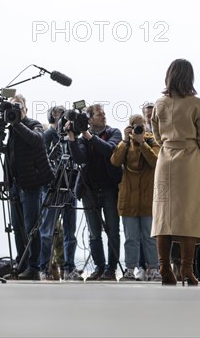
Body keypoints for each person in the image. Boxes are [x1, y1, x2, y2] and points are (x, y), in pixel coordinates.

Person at [151, 58, 200, 286]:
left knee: (163, 215)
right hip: (189, 160)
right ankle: (187, 268)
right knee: (189, 214)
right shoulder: (197, 103)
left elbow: (155, 133)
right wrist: (195, 152)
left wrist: (168, 146)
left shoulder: (160, 103)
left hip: (165, 160)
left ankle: (164, 267)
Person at [68, 104, 122, 281]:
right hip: (89, 189)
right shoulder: (83, 137)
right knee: (94, 233)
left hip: (109, 188)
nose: (104, 116)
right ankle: (99, 267)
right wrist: (72, 137)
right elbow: (79, 158)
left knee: (113, 231)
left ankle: (111, 269)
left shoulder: (114, 132)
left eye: (104, 114)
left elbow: (108, 150)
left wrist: (87, 134)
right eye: (99, 114)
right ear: (89, 119)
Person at [5, 94, 54, 280]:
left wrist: (17, 123)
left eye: (18, 106)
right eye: (12, 107)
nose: (16, 110)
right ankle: (21, 264)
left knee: (31, 227)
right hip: (15, 185)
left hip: (30, 185)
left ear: (25, 108)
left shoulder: (33, 124)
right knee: (17, 228)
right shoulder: (9, 128)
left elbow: (37, 140)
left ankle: (34, 267)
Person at [111, 114, 160, 281]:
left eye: (141, 126)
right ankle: (130, 269)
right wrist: (126, 140)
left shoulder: (152, 141)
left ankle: (153, 269)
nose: (139, 129)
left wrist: (143, 143)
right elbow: (115, 162)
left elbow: (156, 161)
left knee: (149, 237)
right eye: (135, 126)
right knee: (130, 238)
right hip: (129, 198)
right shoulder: (125, 143)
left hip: (147, 198)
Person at [39, 105, 83, 281]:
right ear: (51, 119)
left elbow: (78, 158)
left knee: (70, 232)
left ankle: (69, 268)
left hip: (70, 187)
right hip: (51, 188)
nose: (62, 121)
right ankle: (44, 268)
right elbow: (41, 159)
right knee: (46, 231)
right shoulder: (48, 136)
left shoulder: (71, 137)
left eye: (64, 117)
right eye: (58, 117)